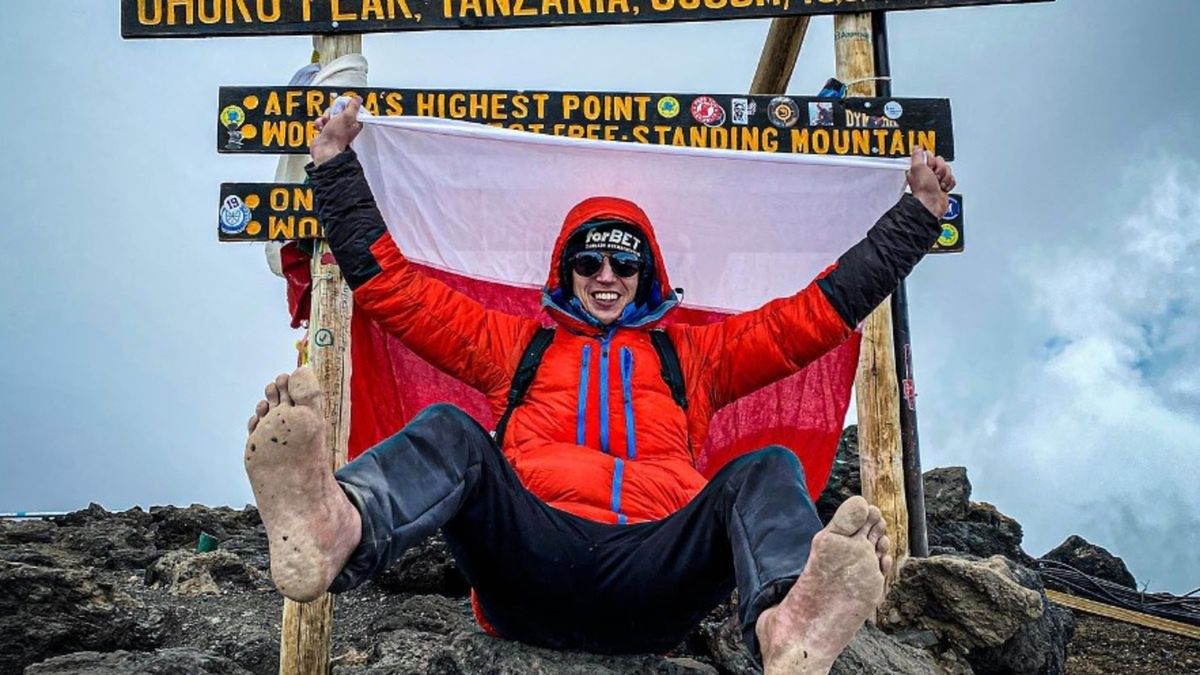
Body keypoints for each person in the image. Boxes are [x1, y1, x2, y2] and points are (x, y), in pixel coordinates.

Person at [244, 98, 955, 675]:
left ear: (646, 274)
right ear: (567, 271)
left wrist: (914, 219)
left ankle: (787, 622)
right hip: (531, 560)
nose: (606, 277)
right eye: (589, 262)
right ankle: (338, 526)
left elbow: (815, 316)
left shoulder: (694, 357)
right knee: (451, 430)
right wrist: (333, 168)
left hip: (655, 574)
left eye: (624, 264)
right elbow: (393, 290)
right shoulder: (517, 346)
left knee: (766, 467)